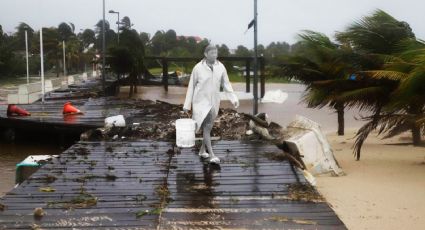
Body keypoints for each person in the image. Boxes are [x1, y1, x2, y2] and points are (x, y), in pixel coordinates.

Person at [183, 44, 239, 164]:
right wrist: (187, 105)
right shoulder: (198, 68)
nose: (215, 55)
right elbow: (191, 87)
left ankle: (202, 151)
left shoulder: (221, 67)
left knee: (208, 127)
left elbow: (226, 84)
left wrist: (233, 98)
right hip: (200, 102)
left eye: (216, 53)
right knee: (207, 127)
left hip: (214, 102)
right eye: (212, 53)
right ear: (205, 54)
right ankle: (212, 155)